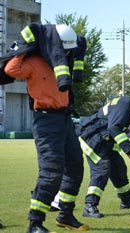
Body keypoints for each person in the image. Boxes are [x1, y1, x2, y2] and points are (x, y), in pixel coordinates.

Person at [4, 25, 89, 232]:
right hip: (45, 121)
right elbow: (9, 70)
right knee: (51, 172)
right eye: (64, 49)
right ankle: (35, 223)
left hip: (65, 119)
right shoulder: (33, 62)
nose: (67, 54)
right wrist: (24, 49)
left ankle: (65, 214)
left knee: (75, 167)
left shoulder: (66, 60)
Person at [78, 93, 130, 218]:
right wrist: (129, 149)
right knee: (102, 170)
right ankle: (89, 206)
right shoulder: (125, 107)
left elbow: (114, 124)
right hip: (93, 140)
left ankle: (126, 201)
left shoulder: (128, 105)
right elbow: (114, 128)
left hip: (104, 140)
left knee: (119, 169)